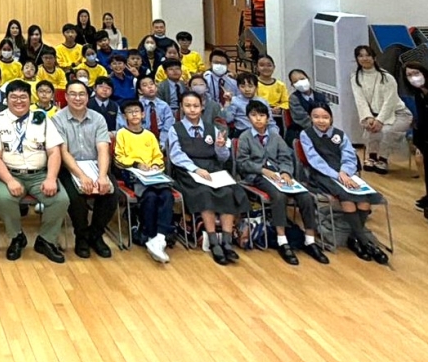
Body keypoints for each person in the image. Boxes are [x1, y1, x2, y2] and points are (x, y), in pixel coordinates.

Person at [235, 100, 328, 265]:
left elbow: (286, 157)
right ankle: (282, 240)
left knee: (305, 196)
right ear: (248, 118)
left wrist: (285, 172)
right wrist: (261, 170)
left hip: (279, 175)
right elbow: (242, 162)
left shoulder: (275, 136)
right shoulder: (245, 137)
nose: (258, 119)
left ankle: (310, 240)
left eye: (262, 115)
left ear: (268, 118)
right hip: (256, 176)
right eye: (254, 115)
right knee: (278, 196)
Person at [0, 80, 69, 264]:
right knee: (2, 198)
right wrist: (9, 180)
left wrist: (51, 178)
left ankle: (46, 240)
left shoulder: (42, 118)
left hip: (40, 174)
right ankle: (17, 237)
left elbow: (54, 151)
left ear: (30, 99)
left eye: (23, 97)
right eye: (14, 97)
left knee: (61, 200)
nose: (19, 101)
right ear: (6, 99)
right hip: (10, 173)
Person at [298, 104, 390, 265]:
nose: (321, 121)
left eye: (325, 117)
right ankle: (366, 243)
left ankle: (355, 238)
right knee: (347, 199)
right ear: (310, 118)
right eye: (316, 117)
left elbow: (349, 155)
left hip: (345, 173)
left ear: (331, 118)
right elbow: (315, 160)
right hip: (322, 174)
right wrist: (337, 175)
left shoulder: (340, 134)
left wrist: (345, 172)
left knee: (364, 200)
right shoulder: (306, 134)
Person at [163, 92, 246, 265]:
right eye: (187, 106)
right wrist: (195, 169)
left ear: (202, 107)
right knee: (204, 193)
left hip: (213, 169)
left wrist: (221, 147)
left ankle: (227, 242)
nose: (192, 109)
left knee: (227, 192)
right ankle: (213, 241)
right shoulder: (175, 129)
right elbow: (176, 155)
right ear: (182, 107)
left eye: (196, 106)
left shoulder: (212, 128)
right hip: (188, 172)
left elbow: (222, 158)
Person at [51, 80, 118, 259]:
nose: (77, 98)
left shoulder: (98, 118)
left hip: (95, 165)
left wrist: (102, 176)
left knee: (111, 194)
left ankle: (95, 235)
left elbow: (103, 149)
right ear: (66, 97)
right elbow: (63, 152)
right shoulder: (57, 119)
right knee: (75, 197)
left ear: (88, 97)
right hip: (68, 167)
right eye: (73, 94)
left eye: (82, 94)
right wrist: (81, 176)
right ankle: (81, 236)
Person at [113, 98, 175, 263]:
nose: (134, 115)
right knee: (150, 196)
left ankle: (160, 237)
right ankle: (149, 234)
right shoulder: (122, 134)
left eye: (137, 111)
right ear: (125, 116)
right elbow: (119, 159)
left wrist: (155, 165)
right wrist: (136, 164)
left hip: (153, 175)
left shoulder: (149, 135)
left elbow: (158, 157)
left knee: (167, 195)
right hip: (133, 174)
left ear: (142, 114)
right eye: (129, 112)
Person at [349, 45, 412, 174]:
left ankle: (383, 159)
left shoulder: (386, 77)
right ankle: (372, 157)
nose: (365, 58)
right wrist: (369, 118)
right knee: (370, 130)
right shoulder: (355, 77)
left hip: (399, 114)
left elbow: (390, 102)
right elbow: (360, 100)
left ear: (374, 58)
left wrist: (380, 120)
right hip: (375, 115)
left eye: (368, 55)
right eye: (361, 56)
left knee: (386, 131)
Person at [401, 61, 428, 212]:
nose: (413, 77)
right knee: (420, 158)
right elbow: (422, 120)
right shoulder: (418, 94)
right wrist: (419, 143)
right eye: (409, 75)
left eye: (416, 73)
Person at [222, 73, 277, 139]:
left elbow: (271, 122)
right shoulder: (234, 100)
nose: (247, 89)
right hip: (242, 132)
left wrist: (274, 136)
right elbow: (228, 119)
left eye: (250, 86)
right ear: (238, 87)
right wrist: (227, 103)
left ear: (256, 87)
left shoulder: (263, 101)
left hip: (262, 132)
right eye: (242, 86)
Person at [286, 69, 328, 141]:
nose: (300, 83)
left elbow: (328, 115)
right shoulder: (294, 98)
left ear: (308, 79)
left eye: (302, 79)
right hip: (300, 131)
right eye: (296, 82)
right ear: (293, 85)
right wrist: (318, 130)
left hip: (322, 129)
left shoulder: (321, 96)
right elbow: (302, 119)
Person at [254, 55, 289, 135]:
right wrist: (268, 109)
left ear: (274, 67)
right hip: (259, 114)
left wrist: (280, 108)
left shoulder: (280, 85)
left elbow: (286, 101)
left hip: (277, 115)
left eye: (269, 65)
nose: (266, 68)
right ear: (257, 67)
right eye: (262, 65)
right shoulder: (254, 84)